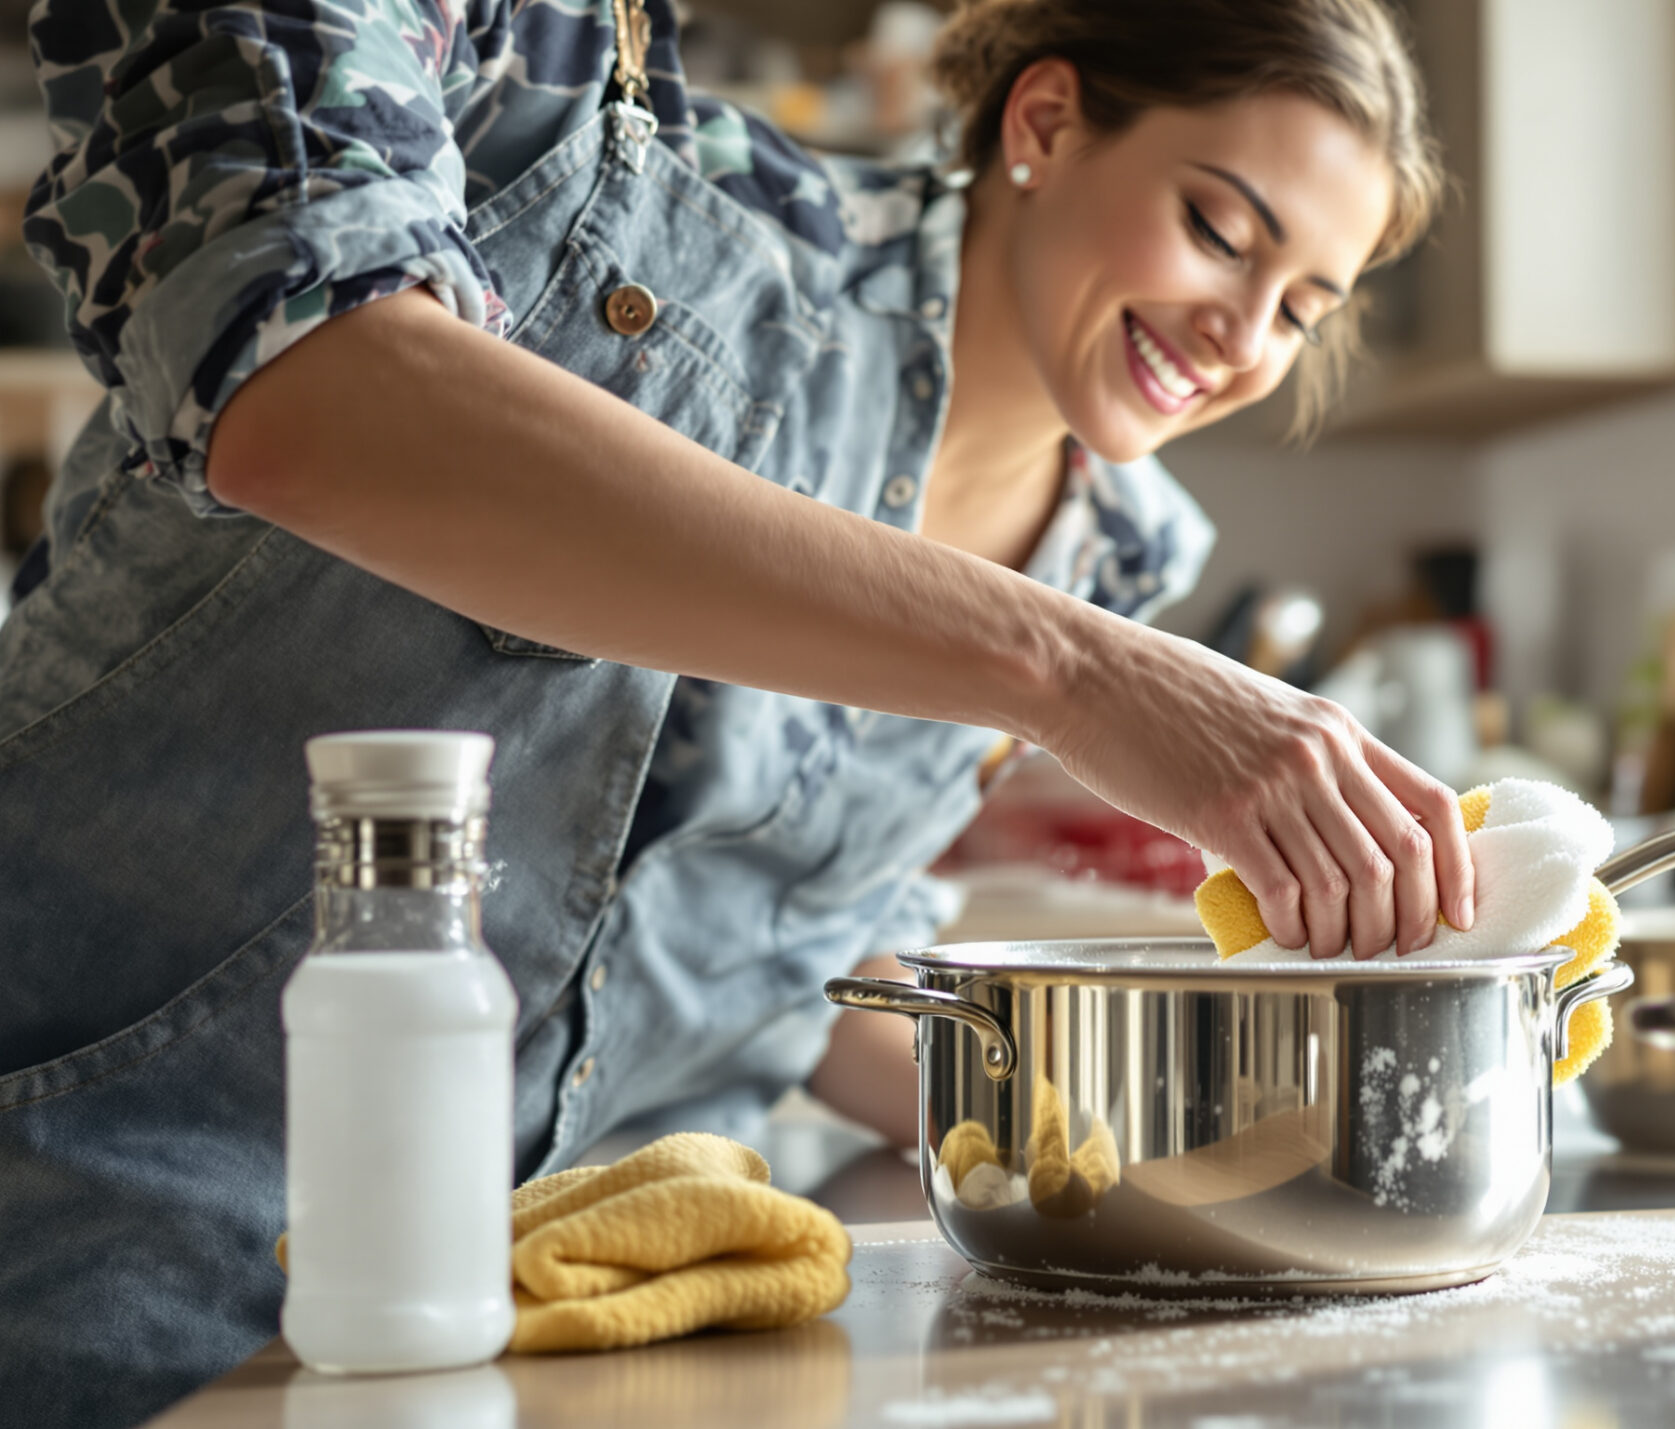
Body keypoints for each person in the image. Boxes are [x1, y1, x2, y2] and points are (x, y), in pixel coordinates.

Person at [0, 0, 1467, 1422]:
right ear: (1045, 119)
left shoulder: (1120, 540)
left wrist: (1166, 1155)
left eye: (1306, 310)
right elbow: (301, 372)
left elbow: (766, 951)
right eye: (1220, 231)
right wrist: (1077, 669)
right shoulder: (691, 216)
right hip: (120, 1225)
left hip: (575, 1306)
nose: (1247, 337)